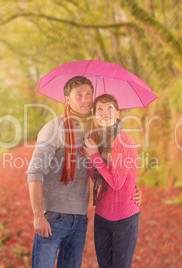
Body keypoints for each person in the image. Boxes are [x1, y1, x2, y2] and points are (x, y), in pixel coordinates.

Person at [27, 77, 141, 268]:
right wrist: (38, 214)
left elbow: (113, 170)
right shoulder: (54, 128)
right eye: (78, 94)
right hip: (54, 217)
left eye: (89, 93)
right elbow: (34, 172)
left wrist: (133, 186)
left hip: (80, 219)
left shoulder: (95, 131)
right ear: (67, 99)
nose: (85, 99)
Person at [83, 94, 140, 268]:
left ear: (117, 113)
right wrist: (92, 157)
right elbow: (98, 180)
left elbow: (116, 183)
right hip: (102, 218)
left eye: (110, 108)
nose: (105, 112)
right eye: (99, 108)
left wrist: (94, 155)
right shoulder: (98, 141)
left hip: (125, 220)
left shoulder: (124, 140)